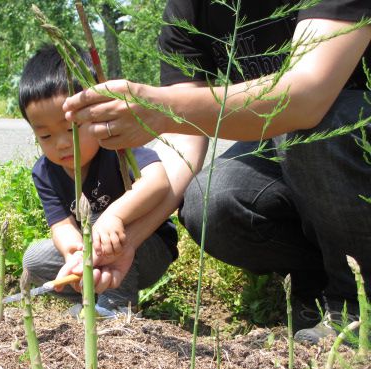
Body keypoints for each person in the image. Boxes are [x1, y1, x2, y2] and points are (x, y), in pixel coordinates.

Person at [62, 0, 370, 343]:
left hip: (348, 134)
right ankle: (319, 283)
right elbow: (183, 142)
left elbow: (308, 96)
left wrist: (160, 108)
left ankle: (356, 304)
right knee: (212, 201)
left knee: (323, 128)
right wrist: (128, 236)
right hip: (293, 145)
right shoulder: (189, 8)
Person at [19, 44, 178, 318]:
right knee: (33, 260)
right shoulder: (44, 172)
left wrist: (114, 216)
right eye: (45, 136)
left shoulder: (116, 146)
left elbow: (158, 182)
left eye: (71, 129)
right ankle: (96, 288)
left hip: (146, 247)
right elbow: (60, 225)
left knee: (96, 221)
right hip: (96, 251)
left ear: (95, 113)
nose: (61, 144)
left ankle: (117, 305)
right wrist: (74, 254)